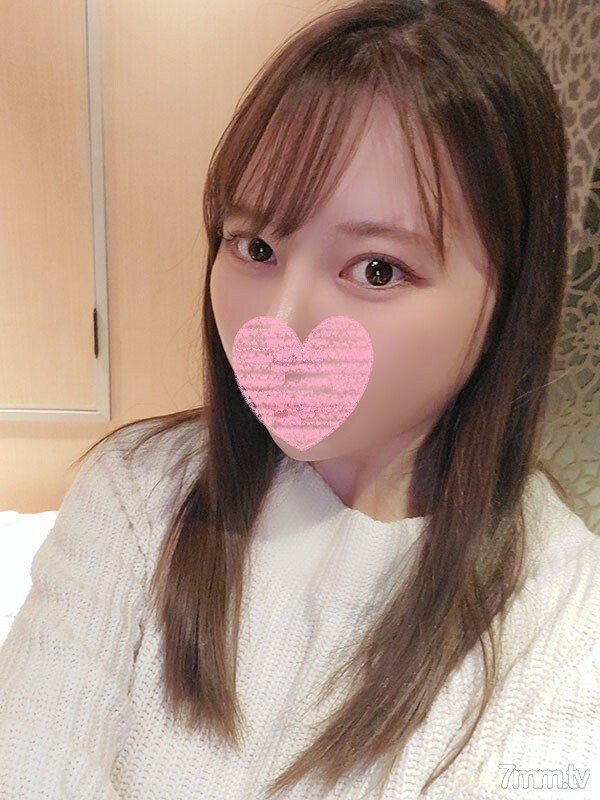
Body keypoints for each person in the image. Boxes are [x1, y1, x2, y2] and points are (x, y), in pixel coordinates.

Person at [1, 1, 598, 798]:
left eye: (377, 269)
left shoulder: (566, 616)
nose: (277, 324)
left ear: (508, 300)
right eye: (256, 246)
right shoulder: (136, 491)